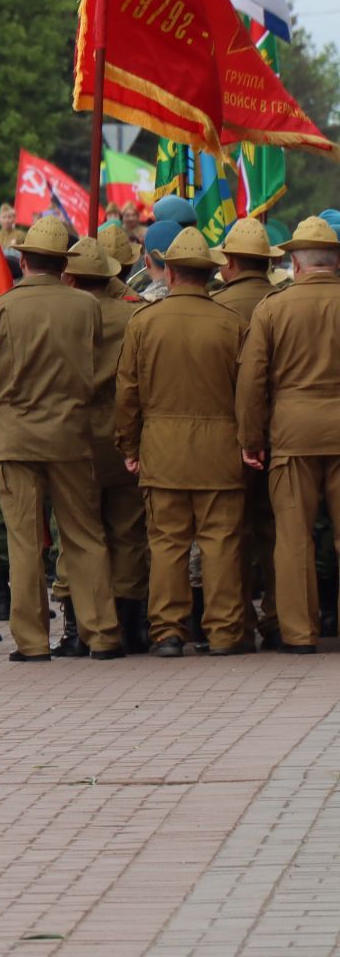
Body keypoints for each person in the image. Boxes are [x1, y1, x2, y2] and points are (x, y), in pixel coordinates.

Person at [0, 216, 122, 661]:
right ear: (62, 265)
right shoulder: (86, 307)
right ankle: (103, 633)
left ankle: (32, 642)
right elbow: (92, 371)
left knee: (25, 541)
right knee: (84, 535)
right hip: (71, 434)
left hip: (15, 437)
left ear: (24, 259)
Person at [114, 227, 247, 657]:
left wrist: (130, 448)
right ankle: (225, 632)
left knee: (167, 543)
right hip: (221, 451)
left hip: (163, 450)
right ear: (209, 274)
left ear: (168, 273)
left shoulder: (144, 323)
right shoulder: (232, 324)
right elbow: (247, 393)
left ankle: (169, 632)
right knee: (221, 542)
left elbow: (128, 394)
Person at [236, 216, 340, 655]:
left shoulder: (273, 308)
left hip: (292, 434)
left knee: (294, 536)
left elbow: (252, 380)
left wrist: (251, 437)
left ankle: (299, 633)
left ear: (295, 264)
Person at [63, 236, 150, 653]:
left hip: (73, 438)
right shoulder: (135, 316)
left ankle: (77, 629)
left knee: (78, 536)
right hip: (122, 438)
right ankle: (131, 626)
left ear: (71, 278)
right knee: (128, 534)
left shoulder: (63, 316)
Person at [214, 217, 285, 650]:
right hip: (282, 435)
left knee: (232, 533)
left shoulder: (218, 306)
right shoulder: (281, 301)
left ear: (233, 262)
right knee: (279, 531)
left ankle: (235, 623)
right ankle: (280, 616)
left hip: (228, 438)